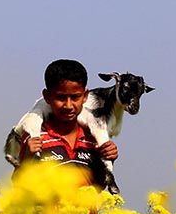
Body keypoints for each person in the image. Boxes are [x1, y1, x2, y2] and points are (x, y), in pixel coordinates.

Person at [16, 59, 119, 189]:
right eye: (61, 97)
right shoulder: (36, 138)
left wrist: (108, 158)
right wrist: (27, 159)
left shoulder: (93, 140)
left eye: (75, 97)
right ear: (47, 97)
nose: (68, 105)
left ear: (85, 96)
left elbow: (99, 186)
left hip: (85, 210)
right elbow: (18, 185)